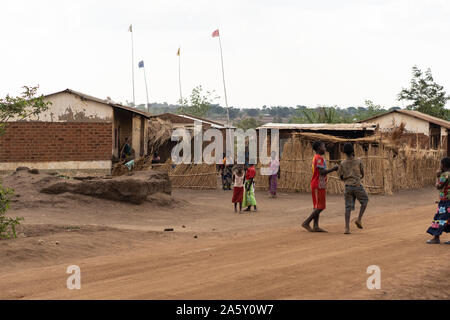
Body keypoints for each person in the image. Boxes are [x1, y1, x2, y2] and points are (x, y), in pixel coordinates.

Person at [301, 141, 338, 232]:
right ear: (318, 148)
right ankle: (306, 222)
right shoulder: (319, 159)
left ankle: (316, 226)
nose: (325, 149)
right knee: (320, 207)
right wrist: (333, 169)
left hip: (319, 184)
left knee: (317, 206)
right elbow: (321, 172)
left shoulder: (317, 158)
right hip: (318, 184)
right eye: (323, 147)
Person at [338, 143, 369, 234]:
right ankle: (359, 219)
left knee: (348, 207)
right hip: (357, 186)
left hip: (348, 187)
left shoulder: (342, 163)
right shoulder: (359, 161)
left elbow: (341, 177)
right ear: (353, 151)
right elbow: (362, 174)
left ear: (344, 152)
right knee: (365, 201)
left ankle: (347, 228)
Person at [426, 157, 450, 244]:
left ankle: (436, 238)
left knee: (440, 218)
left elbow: (438, 186)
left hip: (445, 201)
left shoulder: (445, 175)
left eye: (441, 164)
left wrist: (438, 176)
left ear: (443, 165)